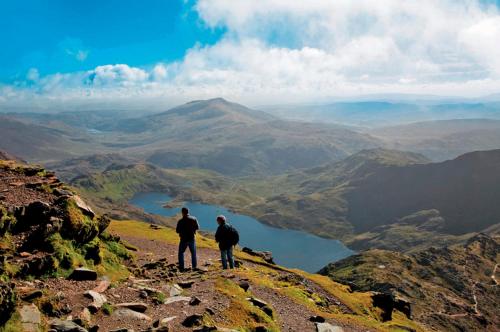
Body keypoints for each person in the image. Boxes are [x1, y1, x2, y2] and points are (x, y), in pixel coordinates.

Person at [176, 207, 199, 271]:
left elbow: (177, 231)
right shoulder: (194, 219)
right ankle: (194, 267)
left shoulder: (180, 221)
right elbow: (197, 227)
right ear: (188, 212)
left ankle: (181, 267)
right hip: (191, 238)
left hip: (183, 239)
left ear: (182, 212)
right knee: (193, 253)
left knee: (181, 253)